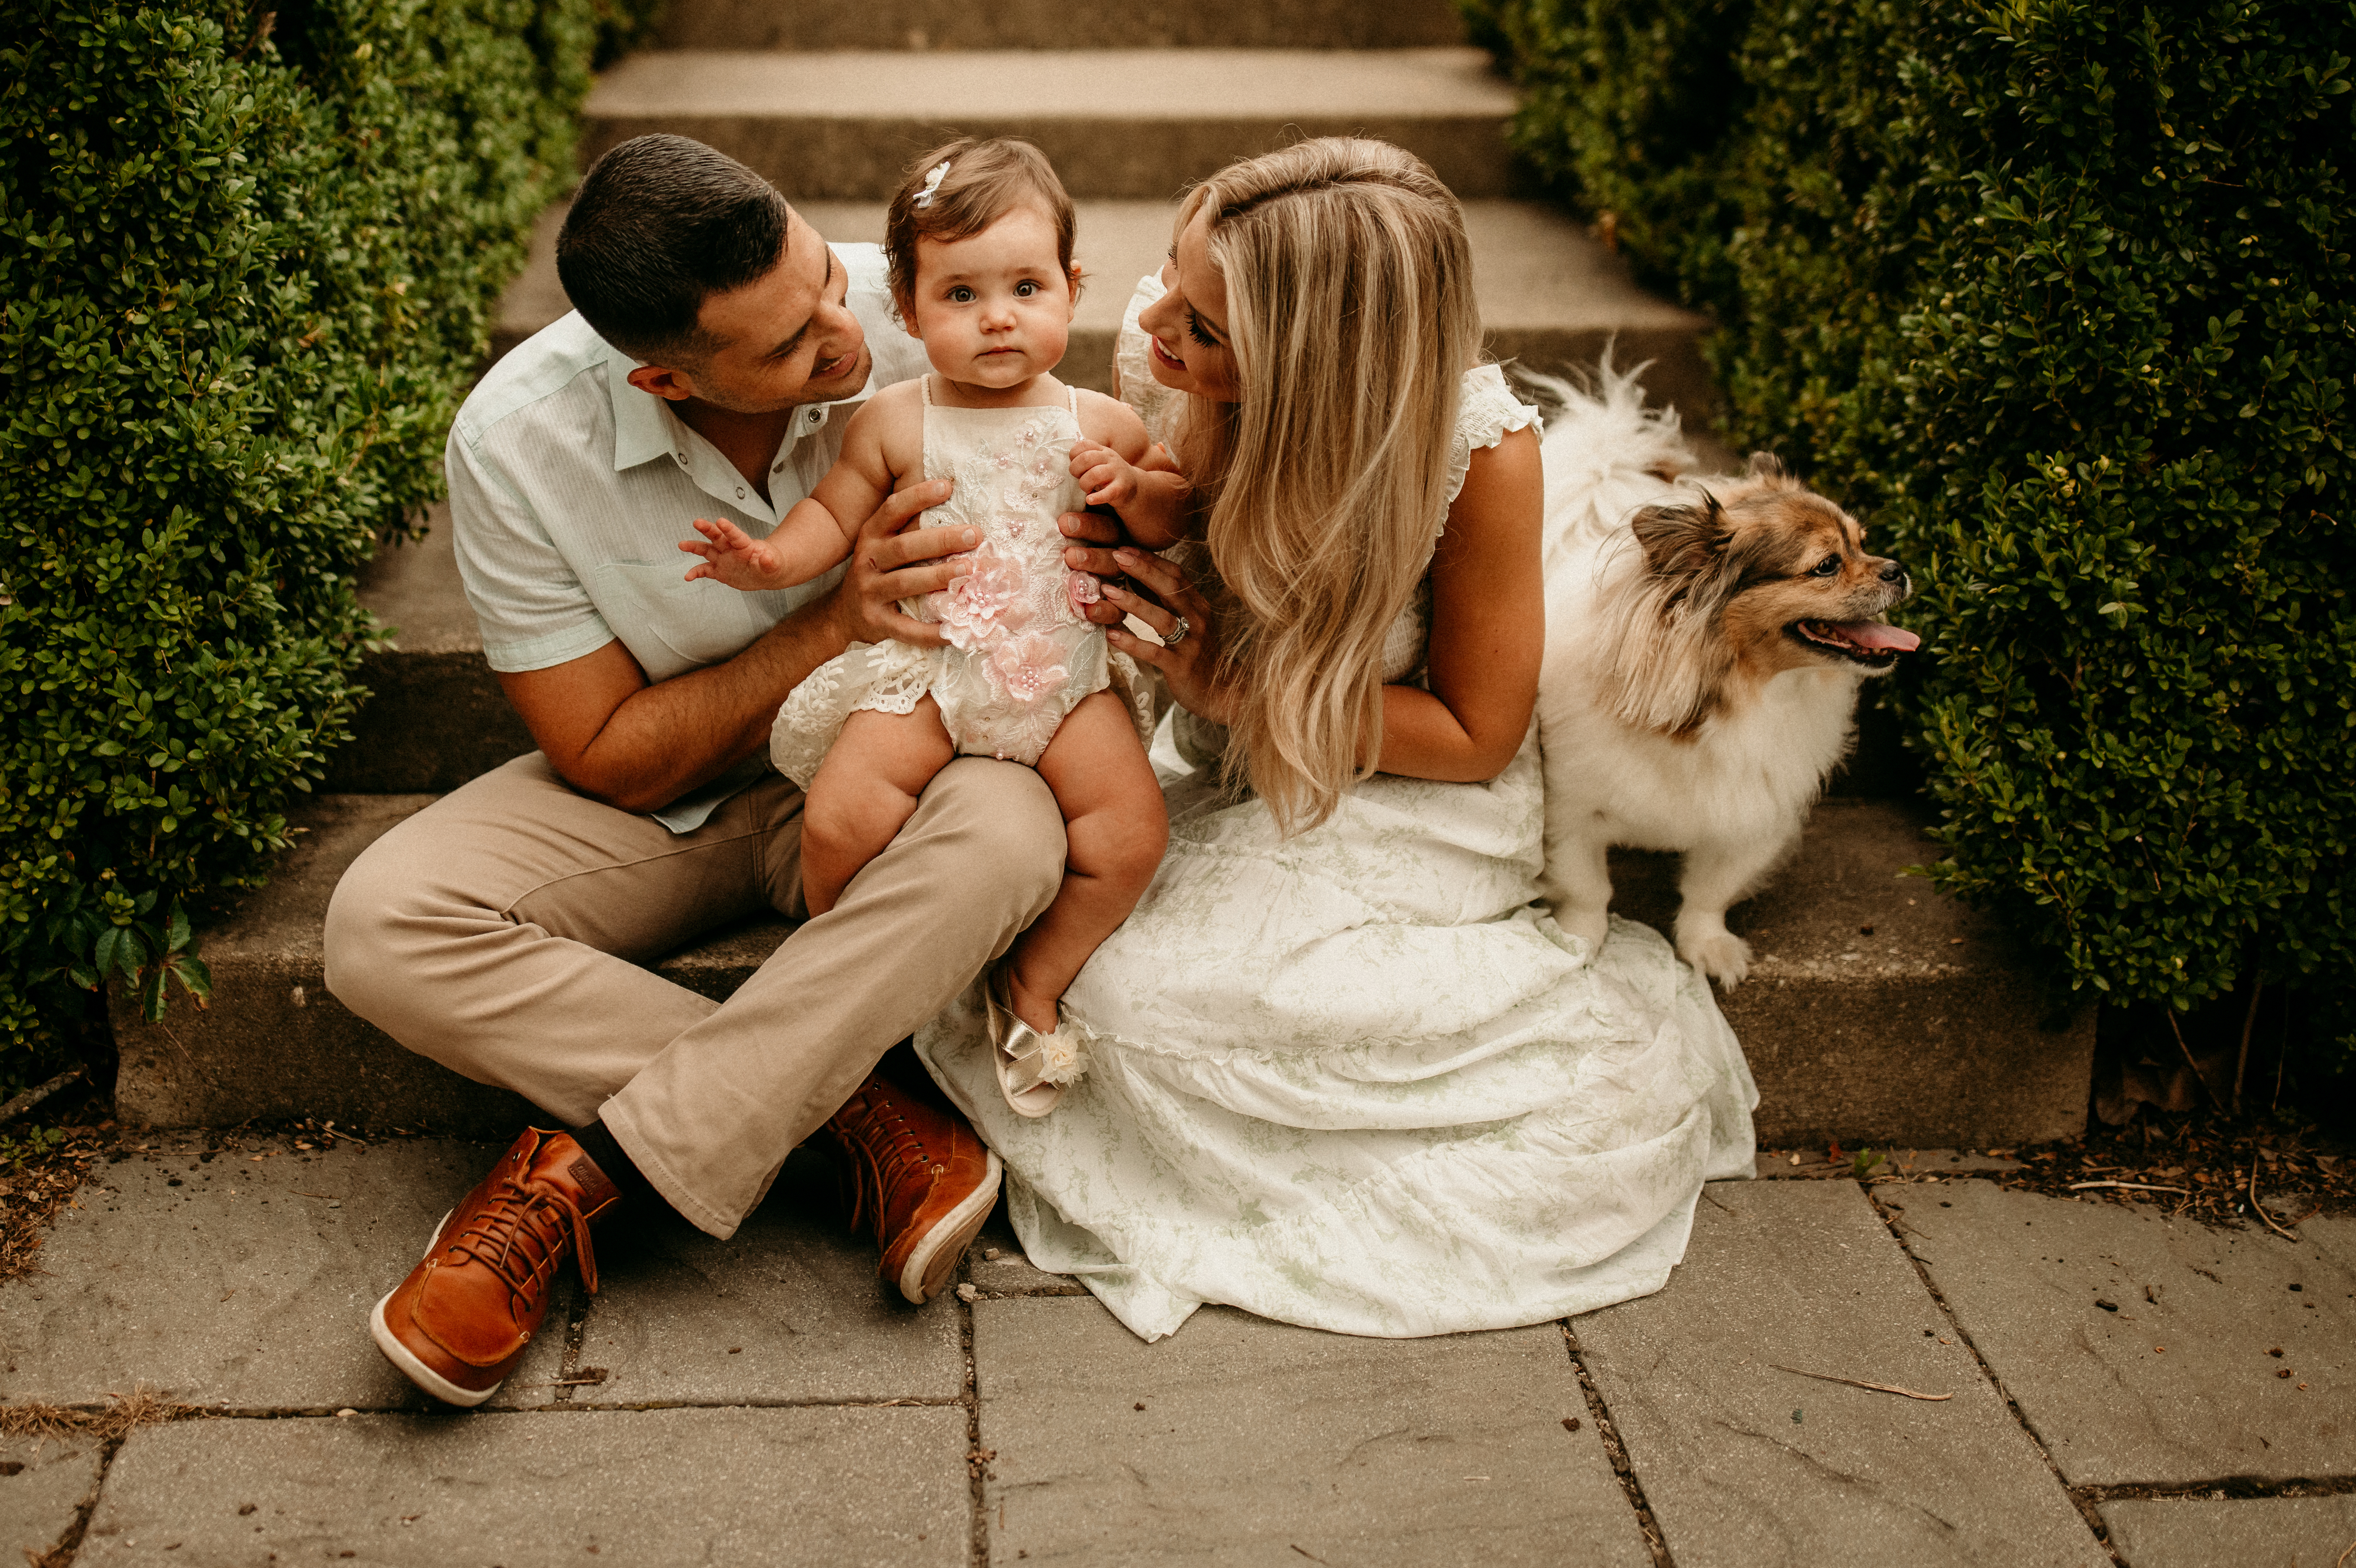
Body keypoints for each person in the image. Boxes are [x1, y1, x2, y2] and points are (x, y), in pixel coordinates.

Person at [917, 137, 1759, 1341]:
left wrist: (1228, 682)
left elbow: (1476, 736)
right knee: (1046, 933)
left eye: (1204, 326)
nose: (1154, 319)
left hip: (1406, 795)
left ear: (1323, 362)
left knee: (1147, 995)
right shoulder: (1159, 356)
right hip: (1214, 765)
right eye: (1169, 269)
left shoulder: (1476, 450)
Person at [323, 134, 1075, 1408]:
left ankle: (579, 1176)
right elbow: (608, 758)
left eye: (824, 286)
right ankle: (854, 1117)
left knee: (1011, 835)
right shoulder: (515, 441)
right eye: (789, 348)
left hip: (900, 759)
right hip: (674, 792)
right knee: (378, 929)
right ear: (664, 377)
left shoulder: (918, 311)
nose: (842, 337)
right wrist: (834, 619)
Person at [682, 140, 1186, 1119]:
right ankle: (837, 965)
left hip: (1064, 684)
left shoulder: (1099, 421)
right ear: (908, 311)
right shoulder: (892, 420)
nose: (998, 316)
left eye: (1026, 286)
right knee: (840, 817)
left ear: (1072, 291)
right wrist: (772, 560)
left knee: (1130, 837)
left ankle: (1031, 984)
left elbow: (1172, 513)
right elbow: (834, 517)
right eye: (960, 296)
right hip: (934, 673)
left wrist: (1135, 492)